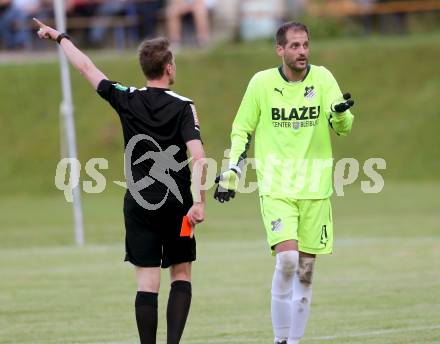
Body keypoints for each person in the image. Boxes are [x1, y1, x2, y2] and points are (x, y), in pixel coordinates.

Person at [34, 18, 206, 344]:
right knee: (181, 274)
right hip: (178, 208)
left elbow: (86, 68)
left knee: (146, 284)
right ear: (168, 68)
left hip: (139, 205)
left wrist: (60, 38)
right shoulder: (184, 107)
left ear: (144, 68)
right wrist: (199, 202)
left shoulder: (127, 98)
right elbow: (198, 156)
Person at [214, 21, 354, 344]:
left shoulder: (323, 79)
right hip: (277, 188)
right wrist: (231, 173)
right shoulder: (261, 84)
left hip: (315, 190)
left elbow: (342, 125)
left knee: (305, 273)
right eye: (294, 46)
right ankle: (279, 339)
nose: (302, 51)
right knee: (288, 260)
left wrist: (341, 113)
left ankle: (294, 342)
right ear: (280, 49)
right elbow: (242, 131)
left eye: (305, 45)